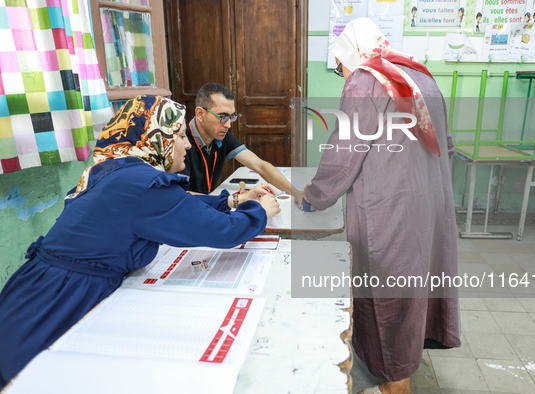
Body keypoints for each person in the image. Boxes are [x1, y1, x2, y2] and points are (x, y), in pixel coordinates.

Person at [0, 95, 280, 388]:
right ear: (155, 137)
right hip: (56, 303)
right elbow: (224, 232)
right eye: (181, 136)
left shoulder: (121, 169)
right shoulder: (142, 184)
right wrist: (258, 211)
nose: (186, 145)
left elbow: (179, 206)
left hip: (41, 287)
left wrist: (234, 199)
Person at [298, 18, 460, 394]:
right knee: (414, 288)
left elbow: (344, 155)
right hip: (430, 210)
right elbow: (446, 145)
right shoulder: (420, 74)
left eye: (340, 67)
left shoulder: (366, 80)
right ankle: (404, 362)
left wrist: (313, 195)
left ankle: (395, 380)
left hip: (389, 213)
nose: (342, 75)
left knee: (385, 297)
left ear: (352, 54)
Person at [181, 83, 304, 202]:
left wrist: (296, 193)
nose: (228, 125)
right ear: (200, 114)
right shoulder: (180, 142)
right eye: (222, 117)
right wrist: (238, 199)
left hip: (207, 206)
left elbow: (260, 166)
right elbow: (179, 195)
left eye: (231, 117)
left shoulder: (221, 137)